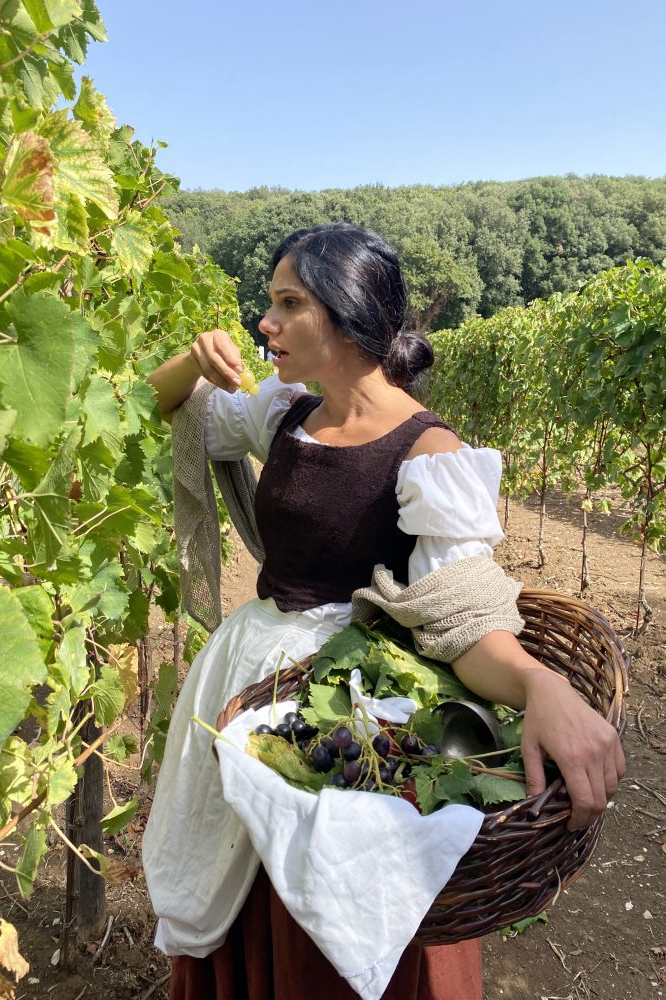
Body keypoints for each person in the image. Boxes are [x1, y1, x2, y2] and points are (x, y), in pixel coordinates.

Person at [142, 223, 625, 1000]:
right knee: (238, 866)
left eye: (288, 303)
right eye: (268, 302)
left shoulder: (428, 453)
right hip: (250, 676)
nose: (264, 323)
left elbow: (464, 617)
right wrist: (193, 361)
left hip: (352, 692)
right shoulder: (285, 413)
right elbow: (167, 406)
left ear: (348, 313)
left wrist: (542, 686)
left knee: (337, 889)